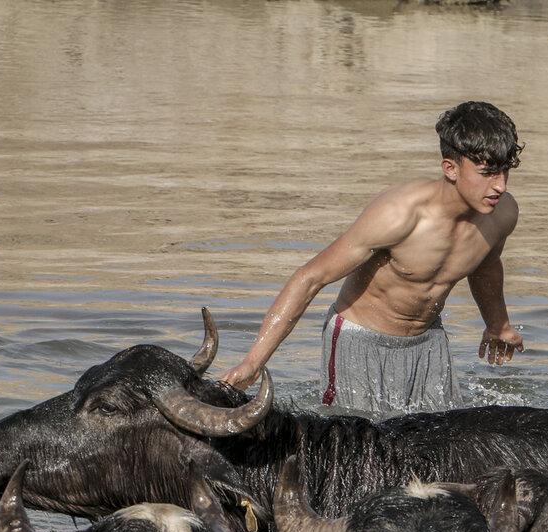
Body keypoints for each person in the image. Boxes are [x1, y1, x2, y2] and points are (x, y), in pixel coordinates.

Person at [219, 100, 526, 412]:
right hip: (359, 342)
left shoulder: (502, 215)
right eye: (487, 173)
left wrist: (498, 325)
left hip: (428, 342)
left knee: (444, 444)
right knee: (356, 448)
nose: (499, 185)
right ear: (450, 168)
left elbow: (486, 267)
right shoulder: (398, 215)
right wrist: (253, 362)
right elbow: (310, 277)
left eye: (504, 171)